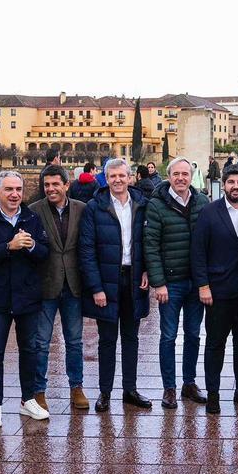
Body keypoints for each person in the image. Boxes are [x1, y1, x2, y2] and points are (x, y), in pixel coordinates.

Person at [0, 170, 51, 427]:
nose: (14, 194)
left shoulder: (32, 217)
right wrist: (9, 246)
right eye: (9, 189)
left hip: (28, 296)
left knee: (29, 350)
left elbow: (44, 253)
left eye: (18, 189)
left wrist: (30, 246)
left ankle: (28, 399)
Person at [80, 159, 153, 411]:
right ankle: (105, 392)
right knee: (107, 339)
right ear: (106, 178)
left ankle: (130, 390)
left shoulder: (142, 204)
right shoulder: (94, 207)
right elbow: (87, 250)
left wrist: (146, 270)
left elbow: (148, 242)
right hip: (107, 280)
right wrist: (96, 288)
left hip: (134, 278)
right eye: (112, 176)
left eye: (122, 175)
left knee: (131, 338)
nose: (118, 180)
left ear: (130, 177)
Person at [192, 166, 238, 413]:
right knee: (215, 344)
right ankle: (213, 392)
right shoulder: (209, 212)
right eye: (231, 182)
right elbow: (198, 251)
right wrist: (203, 286)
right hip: (218, 291)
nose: (236, 186)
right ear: (223, 185)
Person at [146, 157, 209, 409]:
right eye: (176, 174)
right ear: (168, 176)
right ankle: (169, 387)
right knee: (168, 336)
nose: (181, 178)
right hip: (170, 283)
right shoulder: (156, 204)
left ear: (191, 176)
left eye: (185, 173)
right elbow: (150, 245)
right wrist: (158, 282)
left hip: (196, 283)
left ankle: (189, 383)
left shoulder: (202, 202)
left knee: (193, 334)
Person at [29, 165, 90, 413]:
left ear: (66, 185)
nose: (51, 189)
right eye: (47, 185)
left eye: (55, 184)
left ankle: (76, 386)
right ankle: (39, 390)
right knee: (41, 342)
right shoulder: (34, 211)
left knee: (74, 341)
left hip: (74, 285)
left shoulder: (81, 209)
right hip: (46, 285)